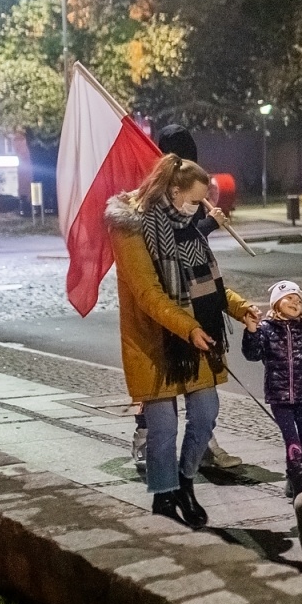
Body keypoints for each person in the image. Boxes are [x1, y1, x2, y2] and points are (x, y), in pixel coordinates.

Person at [106, 154, 260, 527]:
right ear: (174, 191)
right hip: (154, 343)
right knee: (163, 428)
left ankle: (186, 482)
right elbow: (147, 294)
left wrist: (240, 309)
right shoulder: (130, 228)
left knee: (205, 415)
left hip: (193, 339)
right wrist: (188, 327)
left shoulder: (186, 224)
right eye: (196, 201)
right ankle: (163, 494)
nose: (201, 209)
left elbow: (208, 286)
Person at [132, 124, 242, 473]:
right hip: (164, 323)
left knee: (203, 402)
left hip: (198, 316)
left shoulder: (187, 204)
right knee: (161, 399)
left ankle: (201, 449)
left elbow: (196, 260)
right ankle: (146, 445)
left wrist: (237, 308)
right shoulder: (147, 216)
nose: (197, 206)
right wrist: (206, 226)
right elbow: (171, 249)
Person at [242, 280, 302, 499]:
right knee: (294, 446)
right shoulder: (266, 330)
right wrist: (252, 330)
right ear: (275, 304)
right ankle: (299, 492)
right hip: (279, 398)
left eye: (298, 299)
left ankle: (292, 474)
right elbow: (252, 354)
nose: (294, 302)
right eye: (289, 298)